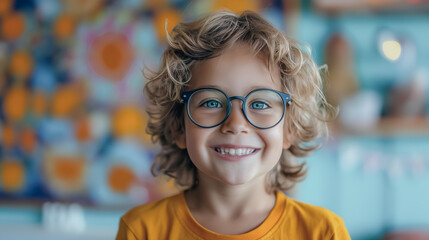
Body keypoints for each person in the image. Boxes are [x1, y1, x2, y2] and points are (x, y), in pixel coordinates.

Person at [116, 10, 350, 240]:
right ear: (178, 126)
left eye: (259, 104)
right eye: (210, 102)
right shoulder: (142, 230)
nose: (236, 124)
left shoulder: (323, 232)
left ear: (289, 128)